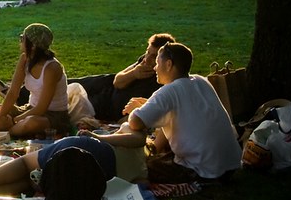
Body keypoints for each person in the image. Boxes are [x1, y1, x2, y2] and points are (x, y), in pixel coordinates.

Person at [84, 42, 242, 183]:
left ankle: (101, 142)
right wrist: (146, 105)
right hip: (230, 165)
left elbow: (135, 122)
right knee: (159, 144)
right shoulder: (201, 81)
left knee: (141, 167)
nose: (154, 68)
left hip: (205, 172)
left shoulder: (170, 91)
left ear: (168, 64)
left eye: (157, 62)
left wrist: (135, 109)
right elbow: (180, 112)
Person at [0, 23, 71, 139]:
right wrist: (1, 117)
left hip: (53, 116)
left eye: (22, 39)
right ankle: (5, 129)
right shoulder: (25, 59)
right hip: (29, 109)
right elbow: (12, 93)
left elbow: (41, 107)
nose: (20, 42)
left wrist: (13, 120)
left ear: (32, 46)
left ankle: (4, 132)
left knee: (31, 123)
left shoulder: (52, 68)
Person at [0, 135, 118, 197]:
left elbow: (25, 163)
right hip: (106, 175)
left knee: (25, 164)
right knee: (30, 181)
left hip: (96, 153)